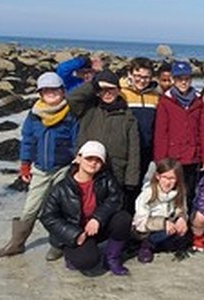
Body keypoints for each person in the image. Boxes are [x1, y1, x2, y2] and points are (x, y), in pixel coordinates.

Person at [0, 72, 79, 262]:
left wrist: (76, 164)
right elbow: (28, 140)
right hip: (40, 169)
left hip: (64, 168)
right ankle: (16, 244)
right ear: (40, 94)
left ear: (63, 91)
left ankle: (57, 244)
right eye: (47, 91)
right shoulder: (34, 115)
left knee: (61, 208)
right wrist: (24, 165)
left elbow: (76, 141)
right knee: (31, 207)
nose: (51, 93)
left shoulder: (70, 114)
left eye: (55, 90)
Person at [39, 141, 132, 275]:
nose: (93, 163)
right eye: (89, 158)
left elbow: (115, 199)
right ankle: (71, 255)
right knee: (87, 261)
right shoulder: (60, 188)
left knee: (123, 219)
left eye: (98, 160)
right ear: (78, 158)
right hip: (75, 232)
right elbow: (48, 216)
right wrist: (74, 234)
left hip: (97, 226)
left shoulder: (106, 179)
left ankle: (112, 258)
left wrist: (97, 218)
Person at [67, 70, 141, 214]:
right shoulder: (88, 110)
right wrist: (94, 83)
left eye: (111, 89)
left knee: (110, 212)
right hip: (87, 169)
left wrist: (131, 179)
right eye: (103, 90)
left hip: (116, 172)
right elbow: (71, 98)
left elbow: (134, 150)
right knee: (85, 209)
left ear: (119, 90)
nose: (107, 93)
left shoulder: (128, 116)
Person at [154, 61, 204, 211]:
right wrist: (160, 160)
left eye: (186, 78)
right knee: (172, 192)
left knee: (190, 192)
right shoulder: (165, 102)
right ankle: (173, 223)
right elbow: (161, 133)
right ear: (173, 80)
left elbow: (203, 130)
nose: (183, 82)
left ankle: (188, 224)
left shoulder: (198, 101)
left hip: (193, 156)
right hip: (173, 156)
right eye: (179, 79)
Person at [131, 158, 189, 264]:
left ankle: (161, 245)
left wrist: (182, 218)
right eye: (165, 177)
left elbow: (182, 208)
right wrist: (162, 223)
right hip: (146, 230)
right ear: (158, 176)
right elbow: (140, 221)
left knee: (183, 236)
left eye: (172, 178)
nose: (168, 182)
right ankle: (146, 246)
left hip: (169, 226)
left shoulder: (179, 192)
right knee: (162, 235)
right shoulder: (149, 193)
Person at [120, 57, 160, 206]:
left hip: (146, 149)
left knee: (141, 187)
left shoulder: (155, 96)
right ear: (130, 74)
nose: (142, 81)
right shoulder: (121, 94)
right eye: (138, 76)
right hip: (126, 150)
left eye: (146, 77)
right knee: (125, 187)